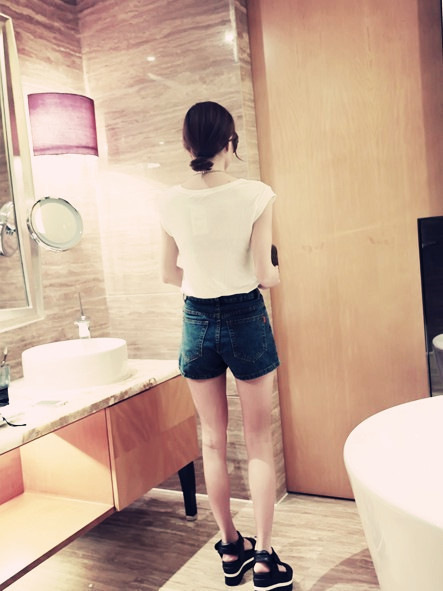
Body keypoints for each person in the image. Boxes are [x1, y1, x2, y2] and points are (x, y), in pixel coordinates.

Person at [160, 101, 293, 591]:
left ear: (187, 144)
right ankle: (265, 559)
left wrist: (204, 276)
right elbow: (264, 274)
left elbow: (166, 272)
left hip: (195, 321)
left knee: (212, 441)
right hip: (245, 317)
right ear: (230, 143)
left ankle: (230, 547)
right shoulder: (256, 194)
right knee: (257, 440)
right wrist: (277, 269)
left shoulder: (169, 201)